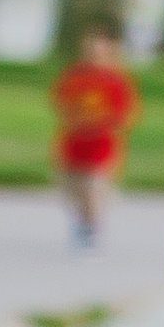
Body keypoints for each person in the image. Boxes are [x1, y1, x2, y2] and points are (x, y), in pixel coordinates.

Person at [46, 26, 142, 251]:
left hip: (100, 144)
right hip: (74, 143)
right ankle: (83, 219)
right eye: (89, 51)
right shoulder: (74, 76)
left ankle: (90, 227)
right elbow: (60, 101)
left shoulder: (116, 81)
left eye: (99, 52)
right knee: (70, 186)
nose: (93, 56)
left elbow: (125, 114)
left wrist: (105, 124)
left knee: (92, 186)